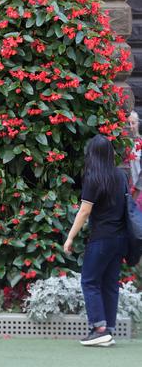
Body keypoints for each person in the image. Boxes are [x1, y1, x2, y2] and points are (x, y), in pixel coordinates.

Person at [63, 135, 128, 347]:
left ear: (92, 154)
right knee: (109, 284)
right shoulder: (120, 176)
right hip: (120, 238)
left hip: (102, 238)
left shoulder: (93, 178)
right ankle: (107, 329)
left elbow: (84, 211)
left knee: (89, 281)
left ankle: (98, 329)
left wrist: (70, 237)